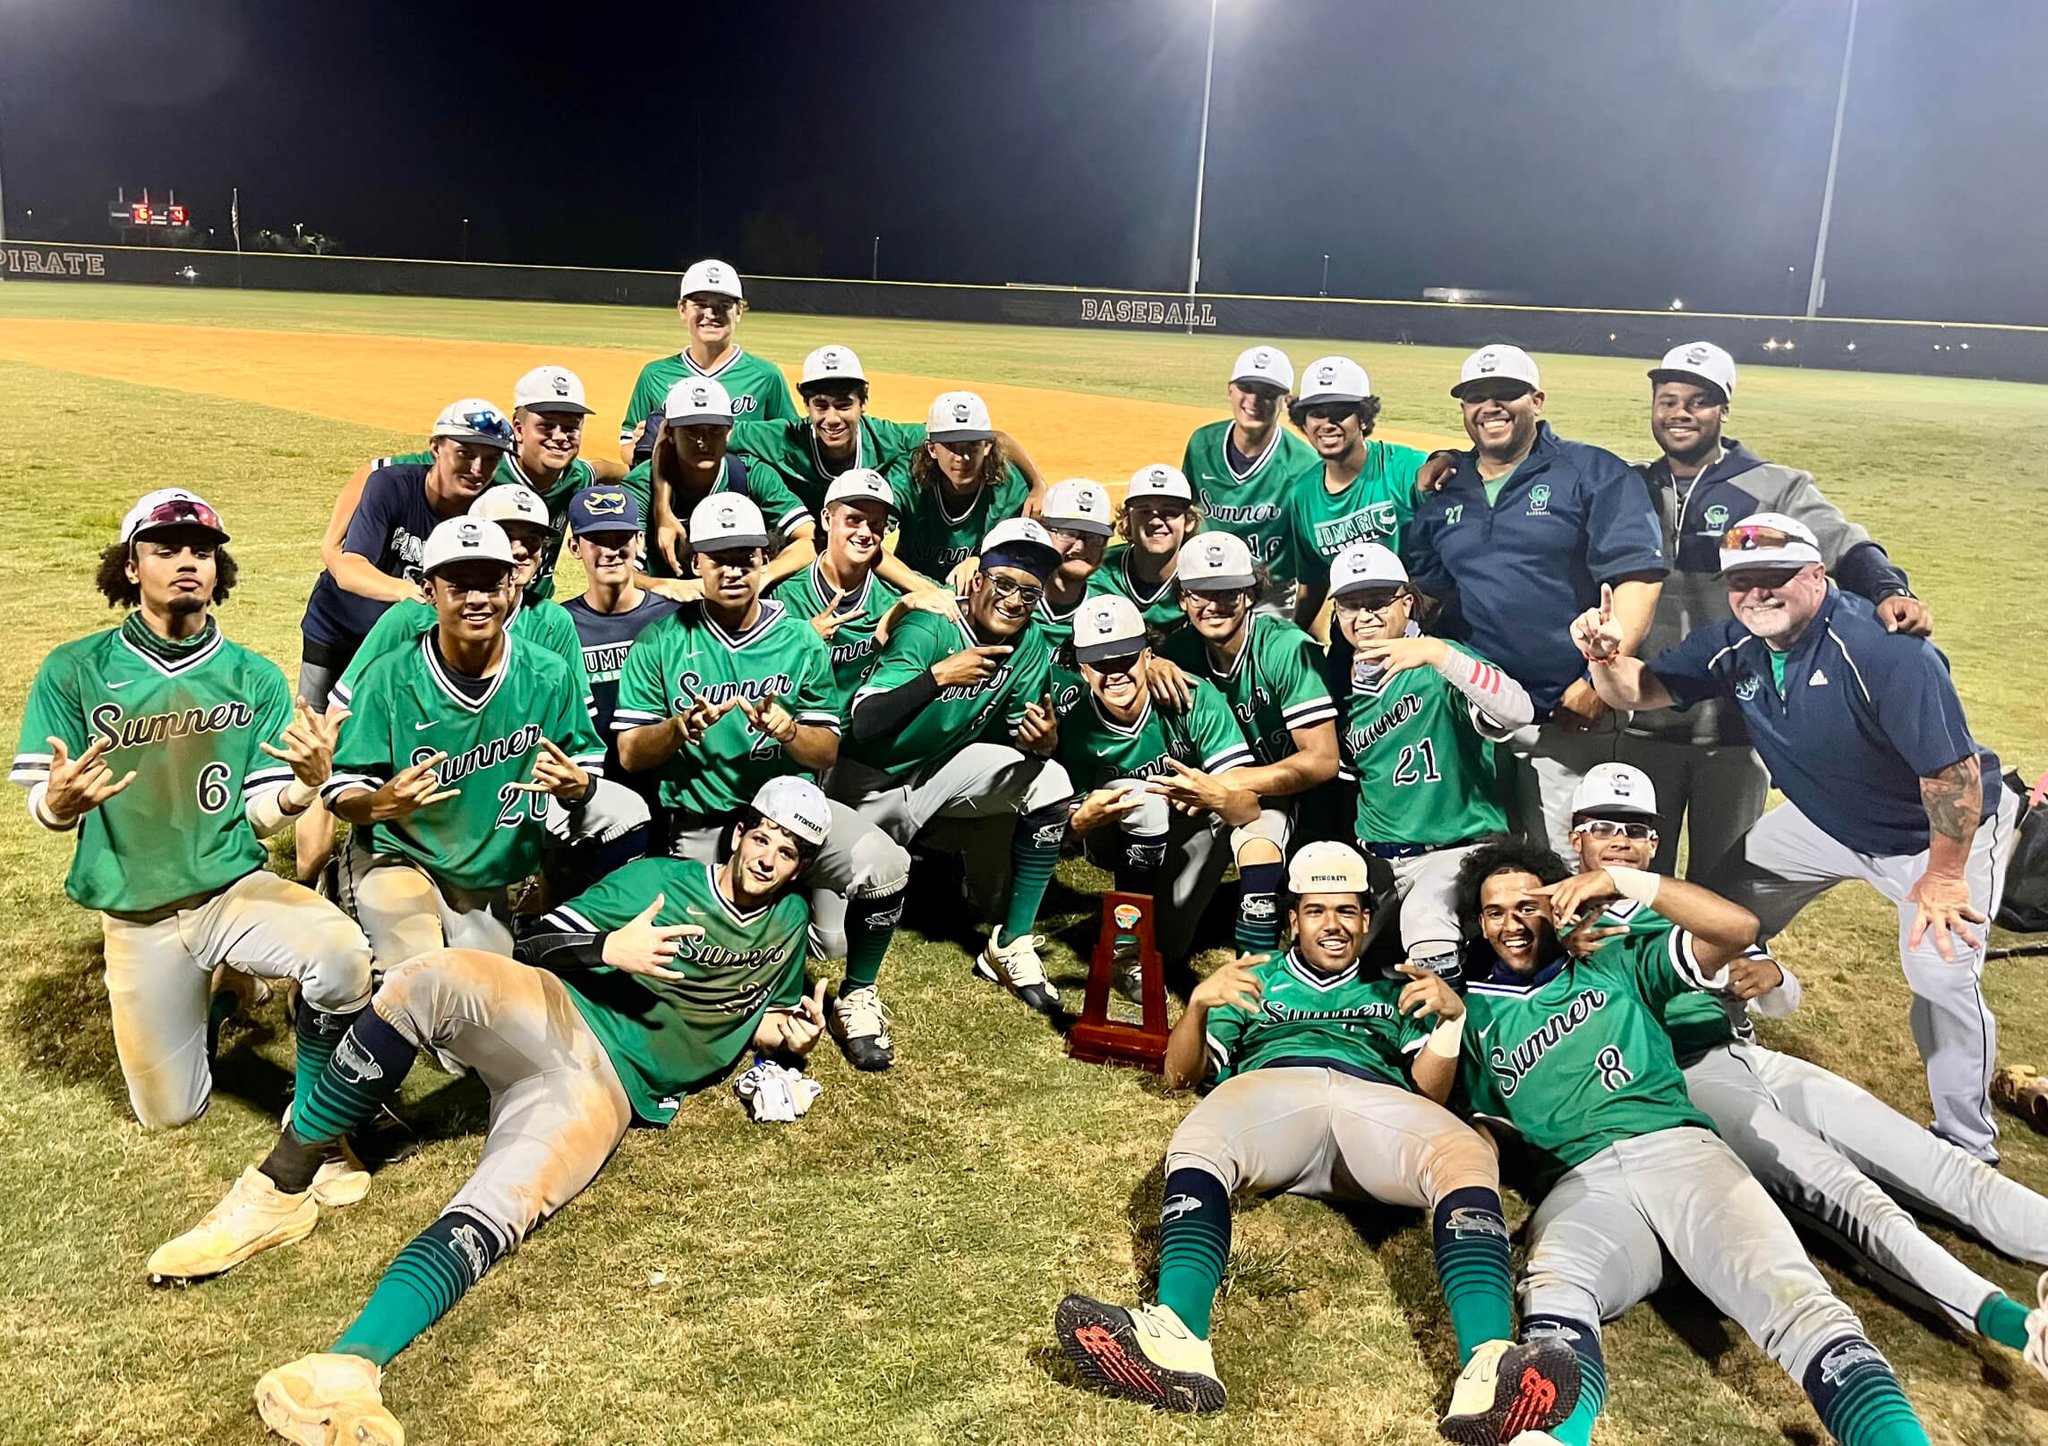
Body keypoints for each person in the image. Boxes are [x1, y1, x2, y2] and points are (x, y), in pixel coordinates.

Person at [152, 776, 833, 1446]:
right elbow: (533, 942)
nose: (769, 857)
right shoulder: (659, 879)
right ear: (739, 834)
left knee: (502, 1211)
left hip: (608, 1092)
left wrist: (785, 1034)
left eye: (789, 851)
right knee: (427, 980)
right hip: (559, 1014)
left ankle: (347, 1366)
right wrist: (608, 949)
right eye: (763, 838)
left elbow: (748, 1018)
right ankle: (283, 1183)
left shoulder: (788, 924)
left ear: (801, 867)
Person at [1053, 843, 1582, 1443]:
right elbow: (1180, 1076)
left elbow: (1428, 1098)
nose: (1333, 924)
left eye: (1347, 911)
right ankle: (1176, 1334)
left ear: (1365, 918)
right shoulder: (1253, 981)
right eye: (1315, 910)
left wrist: (1451, 1022)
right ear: (1292, 920)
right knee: (1201, 1135)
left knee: (1463, 1152)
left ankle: (1489, 1367)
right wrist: (1198, 1005)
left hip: (1375, 1104)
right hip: (1274, 1094)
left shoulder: (1398, 986)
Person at [1563, 762, 2048, 1381]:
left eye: (1637, 830)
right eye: (1603, 827)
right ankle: (2019, 1327)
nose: (1621, 842)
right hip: (1688, 1082)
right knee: (1850, 1196)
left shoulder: (1680, 899)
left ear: (1656, 842)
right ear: (1575, 836)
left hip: (1754, 1055)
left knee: (1939, 1165)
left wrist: (1774, 979)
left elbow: (1779, 990)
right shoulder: (1558, 919)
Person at [1455, 838, 1938, 1446]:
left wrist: (1619, 882)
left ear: (1556, 905)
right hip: (1581, 1186)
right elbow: (1489, 1125)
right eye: (1494, 912)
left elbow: (1737, 928)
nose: (1511, 925)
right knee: (1554, 1299)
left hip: (1679, 1152)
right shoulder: (1476, 1016)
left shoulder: (1616, 960)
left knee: (1802, 1309)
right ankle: (1552, 1437)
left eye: (1527, 906)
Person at [1576, 511, 2019, 1162]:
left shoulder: (1884, 650)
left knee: (1940, 973)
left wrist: (1945, 876)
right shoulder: (1737, 640)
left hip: (1937, 833)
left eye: (1774, 577)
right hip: (1827, 817)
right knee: (1723, 904)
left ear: (1817, 574)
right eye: (1743, 581)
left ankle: (1967, 1145)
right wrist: (1605, 658)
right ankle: (1715, 1023)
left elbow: (1950, 776)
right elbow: (1639, 692)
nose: (1756, 593)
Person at [10, 491, 374, 1170]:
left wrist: (304, 785)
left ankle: (318, 1111)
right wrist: (59, 804)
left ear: (218, 569)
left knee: (343, 957)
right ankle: (225, 987)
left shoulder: (253, 677)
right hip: (138, 914)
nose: (187, 563)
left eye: (202, 552)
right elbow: (46, 809)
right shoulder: (76, 671)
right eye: (165, 549)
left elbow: (260, 812)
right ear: (129, 567)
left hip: (230, 892)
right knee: (171, 1113)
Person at [613, 494, 911, 1071]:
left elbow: (828, 746)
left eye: (745, 555)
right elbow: (629, 752)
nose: (732, 569)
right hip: (702, 821)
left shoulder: (798, 639)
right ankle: (763, 975)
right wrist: (676, 730)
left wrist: (789, 729)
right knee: (695, 964)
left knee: (884, 868)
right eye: (717, 557)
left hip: (791, 825)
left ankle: (859, 991)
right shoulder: (661, 641)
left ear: (763, 558)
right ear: (695, 562)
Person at [1617, 342, 1933, 879]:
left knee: (1725, 889)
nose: (1679, 413)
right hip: (1643, 721)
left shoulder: (1774, 486)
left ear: (1723, 409)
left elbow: (1845, 544)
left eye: (1698, 401)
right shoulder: (1628, 486)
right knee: (1637, 883)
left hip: (1741, 733)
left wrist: (1888, 590)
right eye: (1667, 400)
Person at [1400, 346, 1667, 857]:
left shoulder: (1592, 472)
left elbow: (1637, 578)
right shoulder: (1446, 492)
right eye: (1476, 397)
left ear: (1537, 400)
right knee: (1487, 863)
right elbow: (1430, 596)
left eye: (1507, 395)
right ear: (1462, 409)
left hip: (1568, 716)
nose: (1491, 407)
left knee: (1574, 862)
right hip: (1475, 714)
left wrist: (1600, 682)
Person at [320, 516, 605, 966]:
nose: (477, 599)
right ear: (429, 591)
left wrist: (576, 787)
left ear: (512, 584)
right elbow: (342, 788)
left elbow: (585, 760)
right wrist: (380, 804)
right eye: (459, 585)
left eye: (490, 583)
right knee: (419, 967)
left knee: (479, 1001)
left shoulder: (549, 675)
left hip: (485, 876)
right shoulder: (390, 678)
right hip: (398, 855)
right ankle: (337, 1001)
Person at [835, 518, 1073, 1015]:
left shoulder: (1028, 644)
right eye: (1004, 584)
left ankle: (1011, 941)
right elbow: (862, 722)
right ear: (977, 578)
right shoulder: (932, 625)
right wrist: (938, 676)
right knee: (831, 944)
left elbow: (1017, 735)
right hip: (860, 786)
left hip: (933, 777)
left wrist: (1042, 743)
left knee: (1050, 779)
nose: (1013, 601)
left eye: (1028, 594)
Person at [1324, 542, 1532, 977]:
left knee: (1426, 927)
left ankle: (1444, 1037)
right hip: (1379, 862)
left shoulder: (1443, 662)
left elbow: (1518, 711)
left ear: (1406, 602)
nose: (1364, 617)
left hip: (1455, 851)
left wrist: (1441, 656)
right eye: (1350, 606)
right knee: (1337, 957)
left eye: (1378, 603)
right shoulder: (1342, 681)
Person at [1054, 595, 1257, 982]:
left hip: (1190, 824)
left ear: (1148, 656)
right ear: (1082, 670)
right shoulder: (1077, 727)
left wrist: (1213, 794)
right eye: (1100, 663)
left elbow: (1246, 808)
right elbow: (1060, 834)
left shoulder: (1194, 699)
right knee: (1139, 796)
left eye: (1125, 659)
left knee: (1170, 944)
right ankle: (1129, 939)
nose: (1114, 673)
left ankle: (1173, 912)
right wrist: (1079, 823)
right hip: (1117, 835)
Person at [1157, 533, 1340, 958]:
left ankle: (1254, 968)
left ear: (1250, 594)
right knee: (1167, 942)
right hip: (1220, 794)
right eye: (1200, 592)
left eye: (1228, 592)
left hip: (1300, 794)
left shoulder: (1285, 647)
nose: (1213, 604)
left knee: (1261, 835)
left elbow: (1323, 760)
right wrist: (1151, 663)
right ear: (1182, 598)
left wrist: (1233, 780)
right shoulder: (1181, 650)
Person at [326, 367, 624, 606]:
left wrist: (642, 464)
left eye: (571, 427)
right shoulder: (486, 468)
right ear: (519, 429)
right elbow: (377, 470)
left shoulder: (577, 475)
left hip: (532, 605)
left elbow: (603, 468)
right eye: (546, 425)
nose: (560, 437)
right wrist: (333, 541)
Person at [298, 399, 515, 712]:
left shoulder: (488, 510)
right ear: (436, 448)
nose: (478, 469)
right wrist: (405, 590)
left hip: (408, 643)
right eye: (465, 454)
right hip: (339, 631)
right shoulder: (391, 486)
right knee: (316, 725)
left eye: (491, 459)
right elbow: (349, 568)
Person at [728, 344, 1045, 522]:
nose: (832, 418)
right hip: (798, 540)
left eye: (843, 405)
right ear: (806, 405)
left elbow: (988, 436)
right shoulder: (782, 436)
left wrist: (1038, 485)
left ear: (863, 403)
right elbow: (716, 431)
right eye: (820, 406)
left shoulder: (888, 437)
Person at [1283, 355, 1428, 633]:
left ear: (1363, 417)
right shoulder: (1303, 494)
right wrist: (1294, 635)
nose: (1326, 424)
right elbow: (1313, 582)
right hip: (1354, 626)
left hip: (1419, 619)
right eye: (1316, 413)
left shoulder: (1406, 468)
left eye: (1339, 413)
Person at [633, 376, 817, 589]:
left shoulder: (750, 474)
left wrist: (765, 576)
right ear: (671, 434)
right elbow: (617, 571)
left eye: (714, 429)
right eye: (691, 431)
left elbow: (809, 540)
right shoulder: (642, 485)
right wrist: (669, 587)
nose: (703, 441)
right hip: (668, 608)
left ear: (729, 431)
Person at [618, 257, 797, 463]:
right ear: (682, 309)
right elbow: (627, 444)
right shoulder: (654, 375)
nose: (711, 314)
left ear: (738, 311)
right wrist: (645, 446)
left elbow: (790, 442)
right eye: (700, 304)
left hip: (745, 488)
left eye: (723, 305)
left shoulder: (766, 376)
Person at [1180, 345, 1317, 612]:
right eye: (1246, 388)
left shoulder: (1304, 464)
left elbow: (1314, 558)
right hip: (1206, 579)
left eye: (1268, 393)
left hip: (1271, 594)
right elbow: (1186, 514)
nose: (1253, 400)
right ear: (1230, 390)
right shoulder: (1201, 443)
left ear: (1286, 401)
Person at [769, 469, 905, 713]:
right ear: (827, 519)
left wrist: (973, 563)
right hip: (798, 734)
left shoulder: (892, 595)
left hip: (861, 737)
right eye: (853, 520)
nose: (865, 533)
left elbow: (952, 597)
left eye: (876, 524)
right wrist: (803, 639)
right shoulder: (783, 595)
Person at [887, 391, 1034, 586]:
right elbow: (865, 541)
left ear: (988, 446)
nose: (962, 457)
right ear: (932, 449)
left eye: (972, 445)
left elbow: (1025, 557)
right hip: (909, 591)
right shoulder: (906, 478)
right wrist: (926, 590)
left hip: (978, 597)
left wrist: (982, 562)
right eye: (951, 445)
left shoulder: (1010, 487)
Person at [1086, 463, 1200, 641]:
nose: (1155, 522)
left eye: (1169, 512)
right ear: (1126, 521)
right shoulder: (1097, 573)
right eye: (1145, 511)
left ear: (1189, 521)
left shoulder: (1204, 576)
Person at [1031, 477, 1115, 717]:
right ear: (1043, 532)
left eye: (1093, 537)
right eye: (1068, 533)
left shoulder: (1109, 611)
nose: (1080, 547)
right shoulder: (1011, 597)